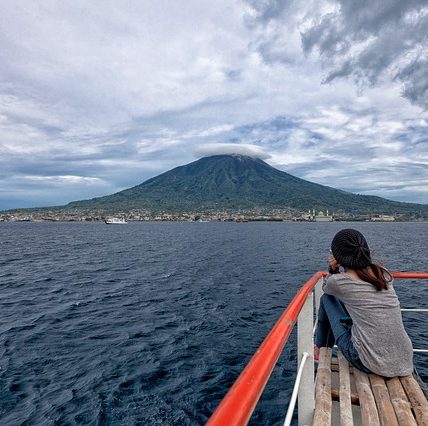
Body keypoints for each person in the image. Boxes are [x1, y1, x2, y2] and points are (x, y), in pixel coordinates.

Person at [314, 228, 413, 377]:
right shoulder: (383, 273)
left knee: (327, 298)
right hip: (404, 359)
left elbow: (328, 288)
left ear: (338, 256)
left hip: (369, 362)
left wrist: (333, 268)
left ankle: (321, 348)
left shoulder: (340, 281)